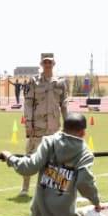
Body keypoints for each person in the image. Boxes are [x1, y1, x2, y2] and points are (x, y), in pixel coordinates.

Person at [22, 53, 69, 197]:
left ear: (54, 64)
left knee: (55, 160)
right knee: (30, 158)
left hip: (54, 128)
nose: (47, 65)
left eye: (50, 62)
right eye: (45, 62)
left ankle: (55, 190)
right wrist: (29, 125)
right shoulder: (34, 81)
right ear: (41, 64)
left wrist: (68, 126)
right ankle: (25, 189)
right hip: (38, 127)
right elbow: (28, 104)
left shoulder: (61, 83)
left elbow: (64, 105)